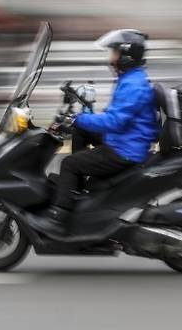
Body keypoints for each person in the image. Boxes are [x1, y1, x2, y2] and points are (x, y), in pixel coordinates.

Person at [29, 29, 159, 235]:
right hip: (124, 139)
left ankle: (59, 218)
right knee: (80, 129)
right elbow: (114, 115)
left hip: (125, 150)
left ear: (126, 55)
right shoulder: (130, 79)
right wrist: (84, 115)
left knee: (70, 164)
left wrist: (78, 118)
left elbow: (115, 121)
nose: (111, 58)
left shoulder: (133, 85)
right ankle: (75, 189)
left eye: (114, 53)